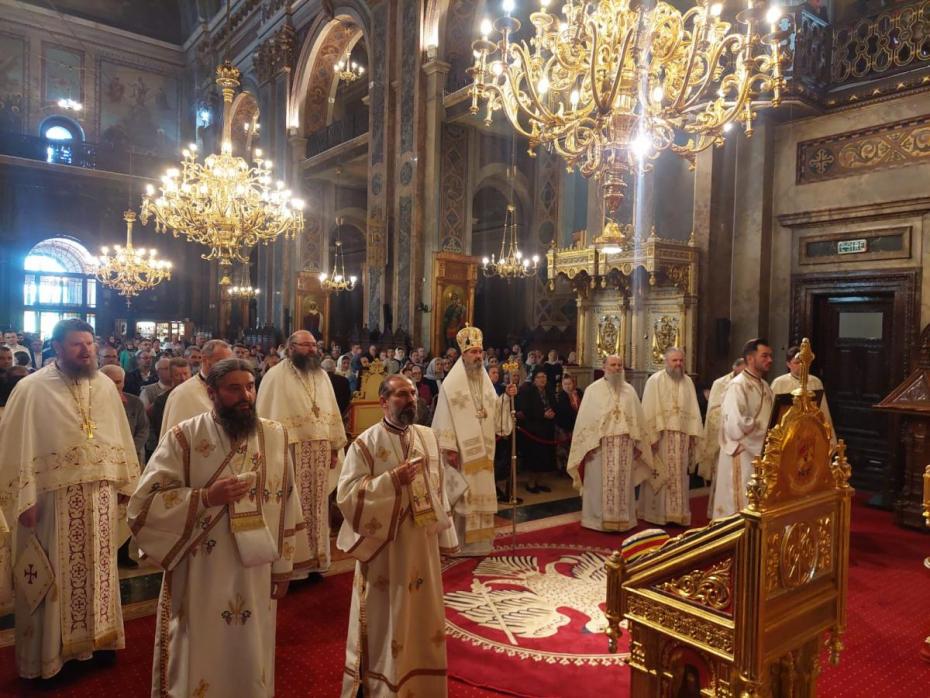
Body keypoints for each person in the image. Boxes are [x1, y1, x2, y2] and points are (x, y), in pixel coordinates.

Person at [129, 358, 304, 698]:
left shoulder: (274, 435)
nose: (246, 396)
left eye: (250, 387)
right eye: (234, 389)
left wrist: (284, 567)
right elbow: (143, 505)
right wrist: (206, 497)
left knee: (252, 643)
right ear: (212, 393)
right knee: (201, 641)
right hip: (201, 566)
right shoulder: (184, 437)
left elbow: (287, 499)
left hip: (256, 565)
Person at [0, 318, 139, 678]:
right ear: (58, 347)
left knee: (100, 571)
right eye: (77, 344)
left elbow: (119, 437)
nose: (86, 350)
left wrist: (124, 485)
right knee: (54, 579)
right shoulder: (31, 389)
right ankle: (51, 659)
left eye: (90, 344)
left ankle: (99, 643)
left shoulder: (104, 385)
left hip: (100, 498)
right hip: (52, 503)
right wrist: (24, 499)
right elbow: (17, 446)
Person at [336, 375, 458, 697]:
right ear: (383, 402)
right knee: (386, 616)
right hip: (385, 550)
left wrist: (445, 538)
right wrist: (391, 480)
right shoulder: (366, 443)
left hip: (422, 544)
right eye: (401, 395)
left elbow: (439, 488)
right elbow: (346, 496)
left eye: (413, 393)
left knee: (421, 616)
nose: (411, 400)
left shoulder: (428, 437)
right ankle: (383, 684)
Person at [256, 330, 347, 577]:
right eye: (306, 345)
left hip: (320, 452)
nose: (312, 350)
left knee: (319, 508)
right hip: (290, 452)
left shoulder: (322, 376)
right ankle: (293, 567)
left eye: (314, 345)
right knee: (291, 507)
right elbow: (266, 417)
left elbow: (332, 412)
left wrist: (335, 448)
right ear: (291, 348)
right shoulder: (275, 376)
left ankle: (317, 561)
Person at [431, 325, 515, 556]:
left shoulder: (485, 381)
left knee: (481, 492)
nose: (478, 356)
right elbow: (444, 416)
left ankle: (480, 544)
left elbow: (495, 413)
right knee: (463, 494)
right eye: (473, 352)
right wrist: (449, 448)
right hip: (461, 452)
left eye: (480, 352)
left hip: (484, 452)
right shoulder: (451, 384)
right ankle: (458, 542)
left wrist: (507, 398)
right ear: (463, 355)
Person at [566, 355, 653, 532]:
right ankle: (596, 520)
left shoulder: (629, 391)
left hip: (625, 447)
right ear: (604, 367)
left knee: (623, 484)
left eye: (620, 365)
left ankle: (623, 519)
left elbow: (638, 420)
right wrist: (586, 447)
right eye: (613, 365)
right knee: (598, 485)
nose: (617, 368)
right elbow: (585, 421)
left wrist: (638, 445)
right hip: (600, 448)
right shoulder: (593, 391)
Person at [638, 348, 704, 527]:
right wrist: (651, 437)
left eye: (681, 361)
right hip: (662, 437)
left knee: (679, 475)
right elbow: (648, 410)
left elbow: (693, 410)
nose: (678, 364)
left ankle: (678, 513)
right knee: (660, 474)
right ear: (666, 361)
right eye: (675, 361)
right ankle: (657, 514)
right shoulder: (655, 381)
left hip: (682, 437)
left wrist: (692, 435)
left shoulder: (688, 382)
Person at [711, 339, 774, 520]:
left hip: (758, 452)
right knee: (741, 502)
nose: (770, 360)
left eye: (770, 356)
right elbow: (735, 425)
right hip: (743, 452)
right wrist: (765, 432)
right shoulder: (738, 385)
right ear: (750, 358)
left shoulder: (765, 386)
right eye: (764, 356)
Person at [698, 358, 745, 517]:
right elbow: (713, 413)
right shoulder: (720, 383)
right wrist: (735, 420)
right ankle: (718, 511)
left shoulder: (752, 384)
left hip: (745, 440)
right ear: (734, 369)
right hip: (725, 437)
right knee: (722, 476)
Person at [160, 339, 232, 438]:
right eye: (222, 362)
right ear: (205, 359)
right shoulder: (182, 393)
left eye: (230, 362)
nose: (228, 367)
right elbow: (174, 437)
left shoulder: (234, 388)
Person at [770, 345, 835, 443]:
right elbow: (773, 412)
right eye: (796, 363)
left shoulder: (815, 382)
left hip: (810, 431)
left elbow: (823, 410)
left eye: (802, 362)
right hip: (787, 432)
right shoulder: (779, 383)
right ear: (788, 364)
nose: (801, 365)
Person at [517, 368, 557, 493]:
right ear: (534, 380)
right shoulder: (528, 392)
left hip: (547, 428)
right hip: (534, 429)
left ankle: (539, 482)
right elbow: (526, 410)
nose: (542, 379)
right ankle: (531, 483)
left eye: (544, 377)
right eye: (539, 377)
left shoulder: (549, 390)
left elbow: (554, 404)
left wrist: (552, 412)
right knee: (535, 458)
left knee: (545, 458)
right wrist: (542, 414)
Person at [147, 358, 192, 461]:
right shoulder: (162, 400)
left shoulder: (200, 395)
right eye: (178, 375)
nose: (183, 378)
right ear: (171, 376)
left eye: (185, 374)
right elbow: (160, 427)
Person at [554, 373, 583, 472]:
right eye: (565, 384)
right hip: (565, 425)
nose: (567, 386)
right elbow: (565, 411)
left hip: (577, 424)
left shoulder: (578, 393)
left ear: (573, 383)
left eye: (569, 384)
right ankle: (563, 468)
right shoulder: (561, 396)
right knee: (564, 449)